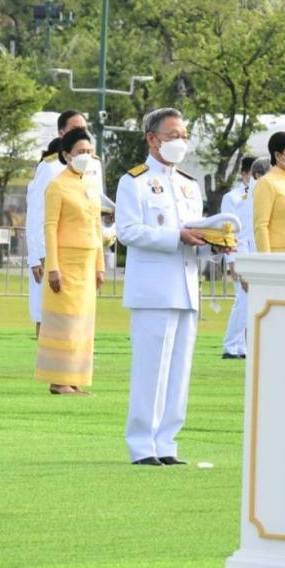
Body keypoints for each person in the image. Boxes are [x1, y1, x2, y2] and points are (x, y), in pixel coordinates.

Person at [117, 108, 226, 466]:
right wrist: (175, 236)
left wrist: (214, 245)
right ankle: (142, 445)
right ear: (152, 139)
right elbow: (128, 231)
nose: (180, 141)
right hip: (153, 289)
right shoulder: (134, 181)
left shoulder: (188, 184)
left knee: (178, 373)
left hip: (186, 285)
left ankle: (166, 442)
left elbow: (197, 233)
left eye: (184, 136)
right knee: (151, 370)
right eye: (173, 135)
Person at [34, 127, 104, 395]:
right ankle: (58, 380)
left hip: (87, 262)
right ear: (66, 155)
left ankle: (74, 378)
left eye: (90, 151)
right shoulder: (57, 185)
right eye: (80, 151)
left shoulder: (90, 185)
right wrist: (52, 267)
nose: (86, 156)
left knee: (82, 324)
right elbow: (50, 227)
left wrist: (100, 266)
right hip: (65, 262)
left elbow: (96, 226)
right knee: (64, 323)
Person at [26, 110, 91, 334]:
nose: (82, 133)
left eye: (84, 129)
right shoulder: (50, 167)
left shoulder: (92, 165)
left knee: (77, 317)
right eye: (75, 129)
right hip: (51, 254)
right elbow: (37, 214)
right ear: (61, 133)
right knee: (46, 315)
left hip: (79, 256)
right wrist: (36, 257)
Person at [220, 155, 256, 359]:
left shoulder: (264, 194)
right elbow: (228, 231)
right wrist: (232, 261)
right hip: (241, 253)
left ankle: (241, 346)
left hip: (259, 254)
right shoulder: (232, 197)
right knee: (243, 300)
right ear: (244, 174)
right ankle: (231, 345)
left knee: (249, 302)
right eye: (253, 173)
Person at [254, 132, 285, 252]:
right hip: (279, 253)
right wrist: (266, 258)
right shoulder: (266, 182)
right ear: (278, 155)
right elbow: (261, 226)